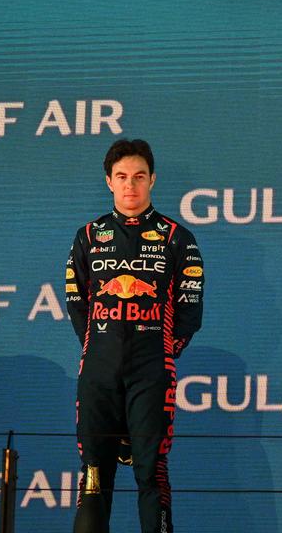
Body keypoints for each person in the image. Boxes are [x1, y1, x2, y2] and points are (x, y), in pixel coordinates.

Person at [66, 139, 204, 533]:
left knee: (151, 472)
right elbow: (78, 303)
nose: (131, 186)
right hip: (98, 371)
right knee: (93, 474)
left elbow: (190, 311)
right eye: (122, 177)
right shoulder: (88, 237)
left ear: (152, 181)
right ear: (109, 181)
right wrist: (100, 347)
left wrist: (159, 352)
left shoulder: (178, 238)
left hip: (151, 370)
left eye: (139, 177)